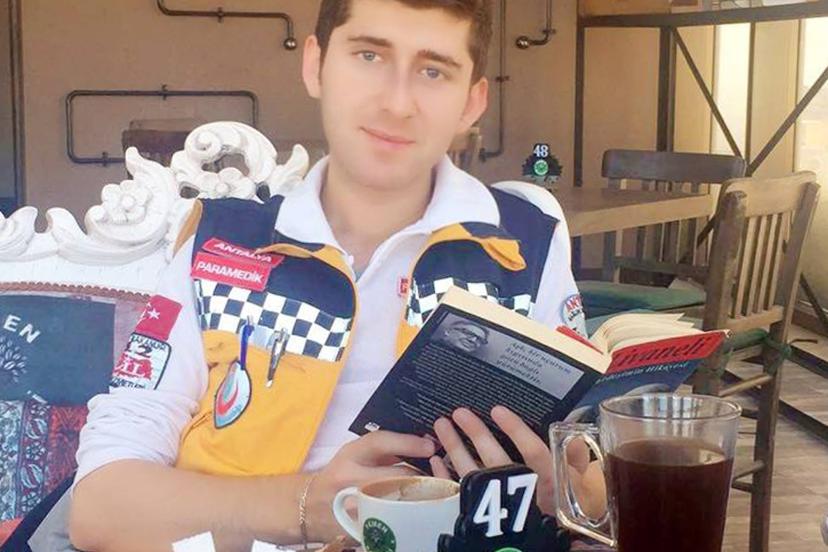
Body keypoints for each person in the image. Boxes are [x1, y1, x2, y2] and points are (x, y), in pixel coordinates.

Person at [3, 1, 602, 551]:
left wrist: (567, 497)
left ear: (471, 102)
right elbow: (102, 505)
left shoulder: (524, 245)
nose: (397, 102)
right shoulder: (220, 243)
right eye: (369, 56)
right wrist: (310, 505)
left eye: (432, 71)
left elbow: (589, 478)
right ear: (316, 65)